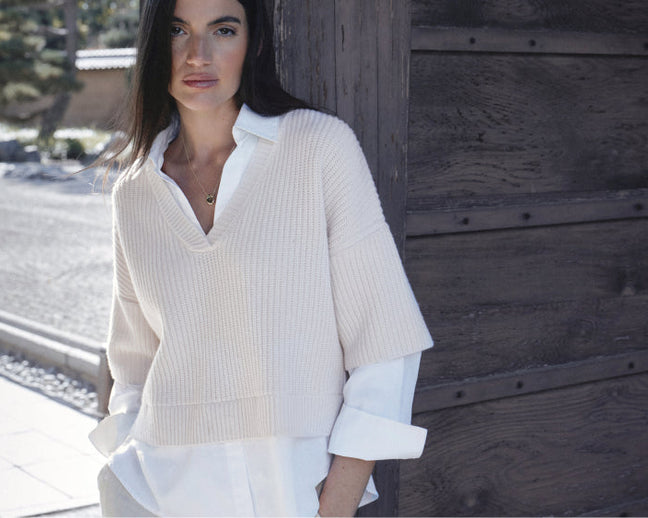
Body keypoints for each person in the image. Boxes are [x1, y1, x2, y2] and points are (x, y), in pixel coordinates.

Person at [87, 0, 434, 515]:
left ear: (253, 43)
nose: (197, 54)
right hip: (156, 492)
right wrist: (128, 461)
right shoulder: (135, 191)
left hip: (295, 493)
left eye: (222, 30)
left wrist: (337, 501)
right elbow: (133, 362)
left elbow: (385, 340)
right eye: (177, 31)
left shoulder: (319, 149)